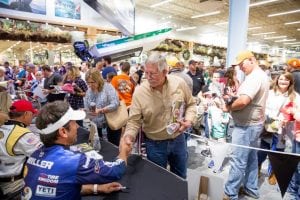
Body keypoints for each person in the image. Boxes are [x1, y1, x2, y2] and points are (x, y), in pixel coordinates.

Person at [22, 101, 132, 199]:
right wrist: (124, 151)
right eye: (74, 123)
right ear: (63, 132)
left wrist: (96, 188)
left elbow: (61, 186)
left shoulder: (34, 155)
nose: (78, 127)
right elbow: (115, 171)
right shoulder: (74, 161)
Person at [123, 53, 196, 179]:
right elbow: (134, 121)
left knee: (180, 177)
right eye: (146, 73)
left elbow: (191, 104)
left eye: (153, 73)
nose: (148, 77)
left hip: (178, 139)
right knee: (158, 180)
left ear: (165, 71)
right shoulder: (140, 92)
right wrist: (129, 136)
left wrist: (189, 120)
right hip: (154, 144)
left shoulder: (179, 83)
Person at [223, 50, 270, 200]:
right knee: (250, 158)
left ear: (251, 60)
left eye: (242, 64)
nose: (241, 67)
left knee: (238, 160)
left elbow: (243, 101)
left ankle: (230, 193)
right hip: (252, 124)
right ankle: (251, 188)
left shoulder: (254, 77)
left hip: (246, 126)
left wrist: (228, 107)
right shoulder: (258, 76)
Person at [257, 72, 300, 185]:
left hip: (284, 129)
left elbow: (297, 112)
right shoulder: (270, 93)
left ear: (290, 82)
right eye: (281, 79)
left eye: (286, 80)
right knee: (264, 147)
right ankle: (258, 165)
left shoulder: (295, 96)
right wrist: (271, 117)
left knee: (278, 151)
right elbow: (262, 107)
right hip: (269, 125)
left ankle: (274, 172)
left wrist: (289, 119)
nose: (283, 82)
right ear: (277, 80)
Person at [0, 100, 42, 199]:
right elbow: (42, 153)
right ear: (26, 114)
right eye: (32, 114)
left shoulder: (2, 128)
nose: (33, 117)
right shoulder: (22, 134)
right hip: (14, 186)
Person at [84, 68, 121, 146]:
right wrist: (86, 111)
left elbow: (115, 103)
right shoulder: (89, 91)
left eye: (92, 82)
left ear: (98, 80)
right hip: (96, 126)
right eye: (88, 82)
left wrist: (101, 110)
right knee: (100, 148)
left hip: (111, 124)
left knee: (113, 146)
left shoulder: (107, 87)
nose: (90, 85)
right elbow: (87, 106)